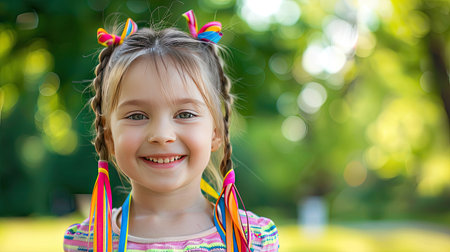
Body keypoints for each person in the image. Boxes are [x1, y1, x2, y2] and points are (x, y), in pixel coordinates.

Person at [63, 10, 279, 252]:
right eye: (136, 116)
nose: (162, 134)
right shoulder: (87, 242)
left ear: (216, 132)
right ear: (109, 136)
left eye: (185, 114)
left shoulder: (252, 238)